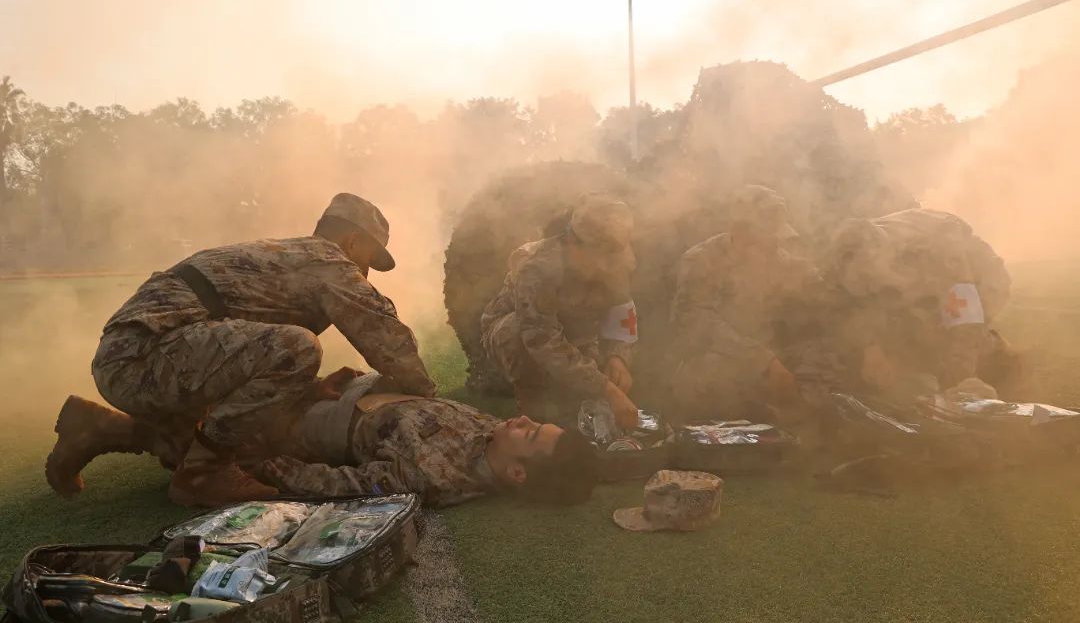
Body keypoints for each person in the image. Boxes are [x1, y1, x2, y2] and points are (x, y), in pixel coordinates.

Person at [46, 193, 435, 507]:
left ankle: (97, 428)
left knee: (242, 427)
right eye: (368, 260)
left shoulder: (289, 255)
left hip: (138, 357)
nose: (365, 274)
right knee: (298, 349)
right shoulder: (328, 261)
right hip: (144, 357)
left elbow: (234, 356)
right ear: (353, 242)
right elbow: (385, 335)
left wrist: (307, 390)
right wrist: (423, 391)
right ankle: (203, 474)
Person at [47, 371, 599, 508]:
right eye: (533, 423)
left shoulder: (435, 476)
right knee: (226, 387)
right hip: (347, 388)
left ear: (518, 473)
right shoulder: (491, 437)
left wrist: (263, 470)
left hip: (322, 425)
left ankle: (99, 429)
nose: (522, 423)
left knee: (208, 437)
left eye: (531, 436)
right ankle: (99, 425)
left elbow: (339, 482)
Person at [480, 193, 640, 429]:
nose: (606, 266)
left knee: (586, 397)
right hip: (524, 336)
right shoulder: (538, 269)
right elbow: (541, 338)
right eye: (600, 255)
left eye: (612, 256)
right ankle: (534, 415)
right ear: (573, 243)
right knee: (514, 334)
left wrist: (618, 356)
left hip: (576, 333)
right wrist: (606, 389)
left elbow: (622, 309)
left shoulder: (616, 258)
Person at [667, 185, 826, 421]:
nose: (775, 247)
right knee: (712, 371)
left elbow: (817, 291)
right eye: (768, 239)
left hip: (769, 358)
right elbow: (696, 325)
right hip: (717, 361)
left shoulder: (780, 261)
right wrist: (761, 360)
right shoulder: (701, 261)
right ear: (741, 233)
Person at [824, 208, 1018, 400]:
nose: (868, 284)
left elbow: (964, 311)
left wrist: (965, 377)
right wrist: (871, 347)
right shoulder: (848, 256)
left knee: (958, 337)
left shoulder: (939, 248)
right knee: (918, 329)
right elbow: (857, 303)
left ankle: (1001, 360)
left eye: (867, 276)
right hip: (924, 280)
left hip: (979, 274)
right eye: (862, 279)